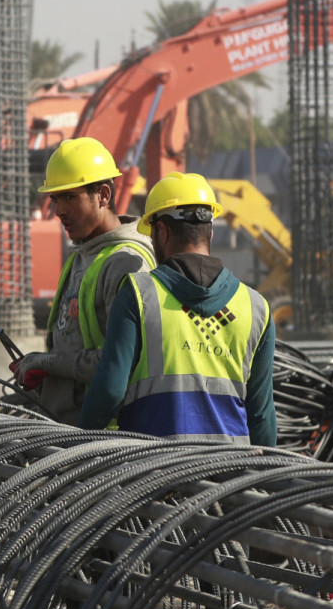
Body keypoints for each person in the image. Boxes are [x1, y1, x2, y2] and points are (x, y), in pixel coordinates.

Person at [79, 173, 276, 443]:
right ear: (211, 232)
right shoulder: (256, 308)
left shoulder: (138, 294)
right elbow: (262, 415)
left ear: (162, 231)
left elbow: (111, 390)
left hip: (156, 472)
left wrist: (77, 443)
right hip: (232, 474)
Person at [9, 138, 156, 424]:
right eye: (55, 199)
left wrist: (48, 363)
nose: (59, 210)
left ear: (102, 194)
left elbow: (123, 362)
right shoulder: (83, 255)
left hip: (105, 435)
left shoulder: (126, 263)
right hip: (70, 426)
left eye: (69, 197)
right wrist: (45, 371)